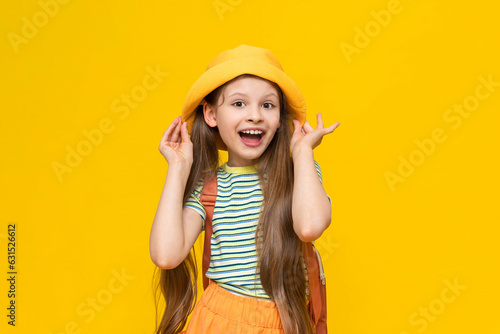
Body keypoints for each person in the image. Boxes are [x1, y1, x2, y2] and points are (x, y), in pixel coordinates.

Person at [149, 44, 340, 334]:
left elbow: (310, 227)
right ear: (211, 115)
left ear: (279, 121)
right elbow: (166, 255)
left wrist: (302, 153)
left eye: (268, 105)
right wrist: (177, 167)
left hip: (284, 322)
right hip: (217, 320)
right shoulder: (210, 187)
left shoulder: (299, 173)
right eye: (239, 104)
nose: (255, 115)